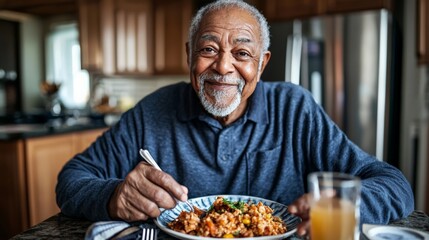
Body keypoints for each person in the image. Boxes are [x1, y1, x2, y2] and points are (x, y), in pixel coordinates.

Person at [56, 0, 414, 237]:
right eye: (209, 49)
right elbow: (71, 180)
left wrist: (340, 206)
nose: (224, 67)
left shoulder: (296, 109)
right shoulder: (153, 111)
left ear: (262, 64)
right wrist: (112, 195)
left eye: (242, 53)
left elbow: (394, 184)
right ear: (188, 55)